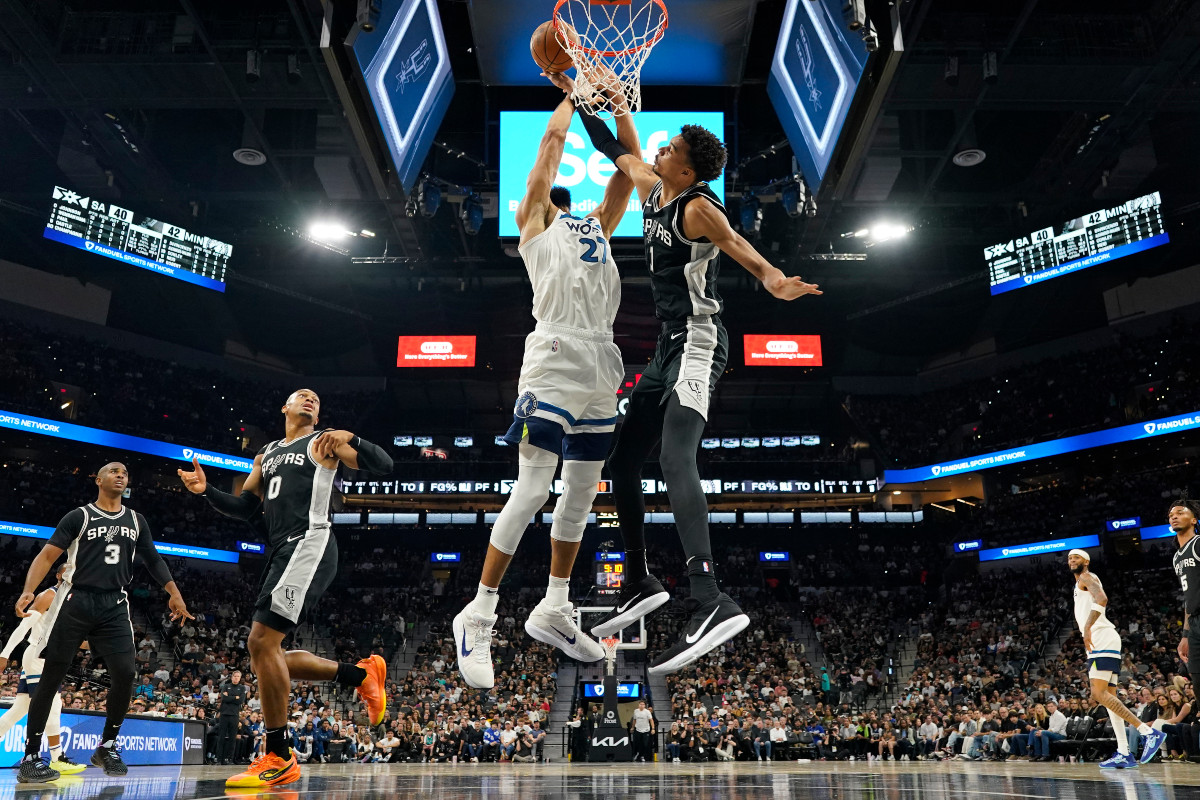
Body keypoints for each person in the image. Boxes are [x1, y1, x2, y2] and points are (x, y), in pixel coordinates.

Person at [559, 72, 822, 674]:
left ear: (687, 169)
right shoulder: (652, 186)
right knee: (623, 461)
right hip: (665, 349)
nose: (660, 149)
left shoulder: (699, 207)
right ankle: (641, 580)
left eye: (671, 148)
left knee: (677, 457)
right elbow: (611, 146)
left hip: (701, 341)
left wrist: (773, 280)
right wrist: (579, 93)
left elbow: (738, 245)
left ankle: (709, 596)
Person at [452, 74, 640, 691]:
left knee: (582, 494)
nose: (536, 193)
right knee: (534, 488)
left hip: (603, 359)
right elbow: (553, 144)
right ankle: (478, 613)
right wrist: (572, 89)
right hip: (555, 355)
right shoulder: (532, 225)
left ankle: (555, 605)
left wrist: (619, 110)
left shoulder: (597, 228)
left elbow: (627, 172)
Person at [177, 388, 392, 788]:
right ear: (285, 407)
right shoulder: (267, 453)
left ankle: (279, 754)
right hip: (282, 550)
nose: (310, 399)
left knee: (261, 643)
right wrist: (207, 491)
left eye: (316, 399)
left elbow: (384, 464)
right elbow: (245, 507)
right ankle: (360, 675)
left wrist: (352, 438)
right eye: (302, 395)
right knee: (266, 658)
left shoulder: (323, 442)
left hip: (310, 541)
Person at [15, 462, 193, 784]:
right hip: (75, 599)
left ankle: (107, 747)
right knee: (52, 676)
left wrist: (174, 592)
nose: (120, 475)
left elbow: (153, 559)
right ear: (98, 480)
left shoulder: (136, 520)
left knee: (125, 673)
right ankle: (31, 756)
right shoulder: (79, 516)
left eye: (124, 472)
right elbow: (47, 556)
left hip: (114, 603)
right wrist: (29, 589)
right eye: (113, 471)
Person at [1067, 548, 1166, 768]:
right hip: (1102, 640)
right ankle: (1124, 752)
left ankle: (1148, 732)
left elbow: (1102, 598)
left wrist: (1087, 628)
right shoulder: (1082, 581)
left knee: (1097, 693)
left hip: (1101, 637)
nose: (1072, 560)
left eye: (1076, 557)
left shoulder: (1086, 577)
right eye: (1070, 558)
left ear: (1086, 561)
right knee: (1109, 698)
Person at [0, 564, 86, 776]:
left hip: (47, 657)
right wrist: (5, 654)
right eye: (66, 570)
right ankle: (57, 758)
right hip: (38, 655)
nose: (71, 574)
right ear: (58, 575)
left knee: (19, 709)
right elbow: (24, 626)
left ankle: (57, 758)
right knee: (53, 705)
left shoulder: (70, 600)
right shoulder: (49, 595)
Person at [1173, 499, 1200, 689]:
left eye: (1180, 513)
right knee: (1196, 679)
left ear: (1194, 520)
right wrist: (1185, 634)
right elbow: (1188, 598)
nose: (1174, 517)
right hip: (1195, 623)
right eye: (1171, 515)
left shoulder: (1198, 543)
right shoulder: (1177, 557)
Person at [216, 669, 249, 765]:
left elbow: (241, 700)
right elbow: (224, 698)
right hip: (224, 714)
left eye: (238, 676)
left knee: (232, 738)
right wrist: (235, 697)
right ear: (232, 677)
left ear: (240, 678)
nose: (236, 678)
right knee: (221, 737)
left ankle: (229, 758)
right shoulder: (226, 686)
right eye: (235, 676)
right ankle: (219, 759)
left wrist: (230, 697)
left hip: (234, 715)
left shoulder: (242, 688)